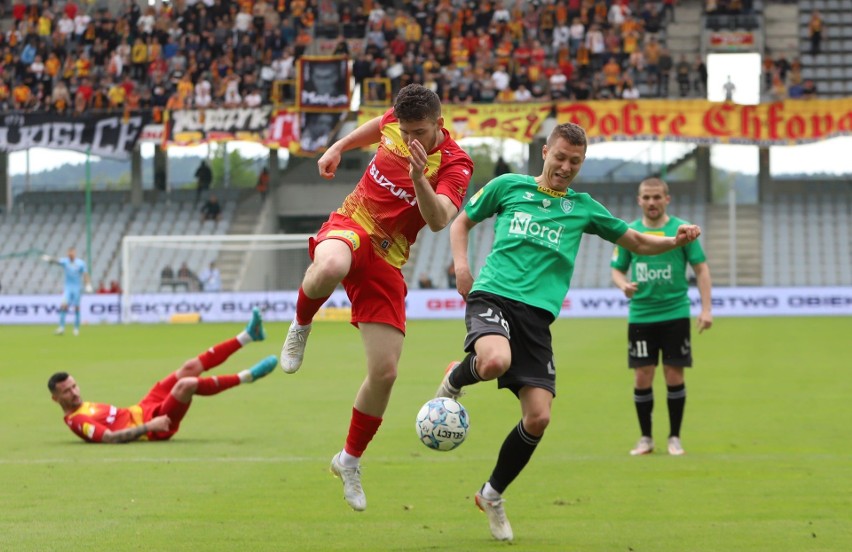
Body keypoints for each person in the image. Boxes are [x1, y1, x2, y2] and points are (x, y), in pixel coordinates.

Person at [434, 123, 702, 542]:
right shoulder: (508, 186)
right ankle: (456, 377)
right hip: (494, 296)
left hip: (537, 320)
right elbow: (460, 224)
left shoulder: (583, 207)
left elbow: (636, 241)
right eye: (560, 157)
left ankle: (491, 494)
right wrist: (463, 266)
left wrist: (674, 240)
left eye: (575, 161)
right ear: (545, 152)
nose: (565, 167)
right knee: (493, 360)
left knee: (538, 418)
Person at [279, 84, 474, 512]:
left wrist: (420, 176)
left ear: (439, 126)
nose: (409, 140)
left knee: (385, 373)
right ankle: (301, 324)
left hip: (390, 257)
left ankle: (348, 460)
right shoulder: (396, 125)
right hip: (352, 223)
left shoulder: (457, 163)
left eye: (419, 133)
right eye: (404, 132)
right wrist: (339, 146)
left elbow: (440, 220)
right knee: (330, 266)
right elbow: (378, 125)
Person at [48, 309, 275, 443]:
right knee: (186, 385)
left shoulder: (82, 406)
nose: (74, 392)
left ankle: (248, 335)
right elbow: (109, 437)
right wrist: (150, 426)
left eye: (74, 386)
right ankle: (247, 376)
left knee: (189, 367)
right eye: (67, 391)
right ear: (56, 399)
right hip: (153, 426)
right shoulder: (77, 420)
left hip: (143, 408)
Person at [611, 178, 713, 457]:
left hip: (675, 312)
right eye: (646, 197)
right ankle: (645, 438)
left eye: (657, 197)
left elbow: (701, 269)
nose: (652, 202)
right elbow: (617, 269)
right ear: (639, 200)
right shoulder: (629, 232)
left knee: (673, 374)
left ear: (667, 199)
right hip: (641, 315)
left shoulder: (681, 230)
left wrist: (706, 309)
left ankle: (674, 437)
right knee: (642, 376)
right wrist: (623, 285)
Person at [42, 247, 93, 336]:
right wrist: (49, 259)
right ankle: (61, 328)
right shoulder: (65, 261)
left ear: (74, 253)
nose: (70, 254)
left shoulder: (80, 263)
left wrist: (88, 284)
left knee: (77, 308)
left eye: (71, 252)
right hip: (68, 289)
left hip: (77, 288)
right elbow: (56, 261)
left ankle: (76, 329)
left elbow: (85, 274)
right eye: (68, 253)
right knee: (63, 306)